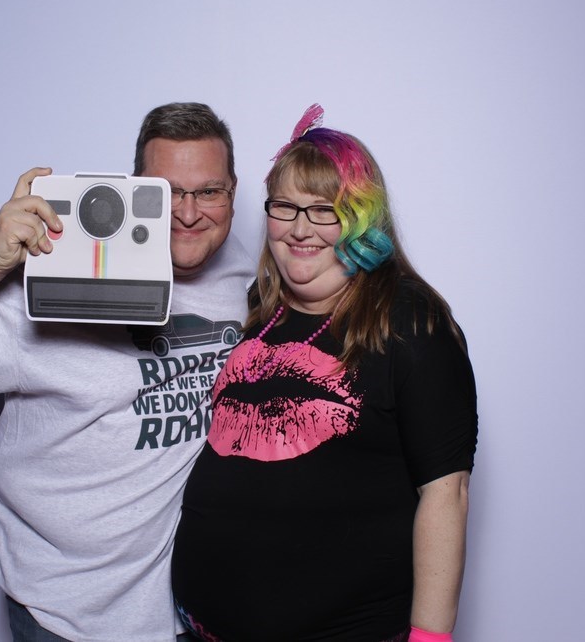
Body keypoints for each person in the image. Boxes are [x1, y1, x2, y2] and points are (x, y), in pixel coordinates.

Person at [0, 102, 255, 642]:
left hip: (187, 606)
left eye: (209, 192)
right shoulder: (60, 271)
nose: (188, 213)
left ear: (233, 193)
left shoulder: (238, 268)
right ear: (137, 191)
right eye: (169, 192)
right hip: (66, 610)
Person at [171, 104, 478, 642]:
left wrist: (430, 640)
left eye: (323, 210)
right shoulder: (256, 309)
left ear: (362, 218)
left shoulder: (410, 321)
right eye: (285, 207)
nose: (299, 229)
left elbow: (445, 494)